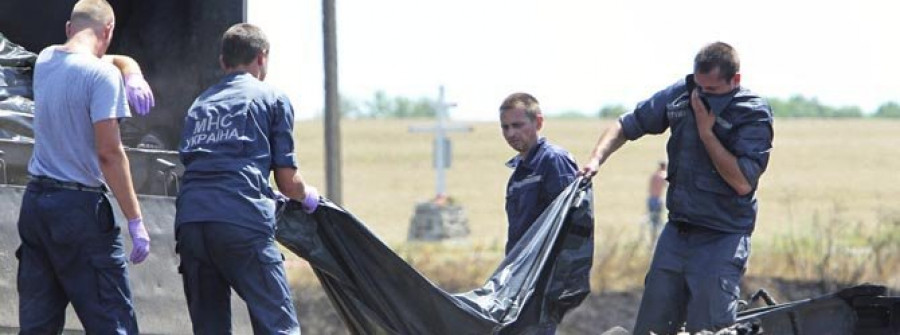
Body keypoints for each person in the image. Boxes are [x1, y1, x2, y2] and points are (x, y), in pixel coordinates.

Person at [579, 42, 774, 334]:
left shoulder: (752, 113)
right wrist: (595, 159)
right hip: (677, 233)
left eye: (713, 90)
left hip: (722, 236)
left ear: (736, 81)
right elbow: (627, 124)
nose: (703, 96)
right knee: (652, 326)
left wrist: (707, 132)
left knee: (708, 329)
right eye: (700, 87)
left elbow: (742, 182)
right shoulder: (683, 93)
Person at [15, 0, 153, 333]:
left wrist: (130, 70)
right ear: (108, 31)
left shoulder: (47, 59)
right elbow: (109, 153)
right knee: (113, 322)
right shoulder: (102, 76)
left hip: (36, 207)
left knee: (37, 326)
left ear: (68, 29)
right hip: (80, 211)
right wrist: (135, 220)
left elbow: (102, 59)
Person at [174, 23, 320, 334]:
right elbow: (287, 182)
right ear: (262, 57)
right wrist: (308, 197)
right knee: (278, 327)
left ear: (223, 62)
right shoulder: (272, 98)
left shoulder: (199, 104)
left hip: (191, 225)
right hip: (240, 220)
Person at [499, 92, 578, 334]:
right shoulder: (519, 172)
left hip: (544, 275)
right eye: (505, 127)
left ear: (538, 123)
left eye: (518, 125)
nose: (511, 133)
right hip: (519, 275)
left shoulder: (553, 161)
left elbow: (570, 221)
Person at [647, 160, 667, 243]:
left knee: (652, 220)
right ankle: (659, 239)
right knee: (658, 221)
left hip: (650, 199)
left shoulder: (654, 175)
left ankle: (653, 239)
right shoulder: (663, 175)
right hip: (658, 200)